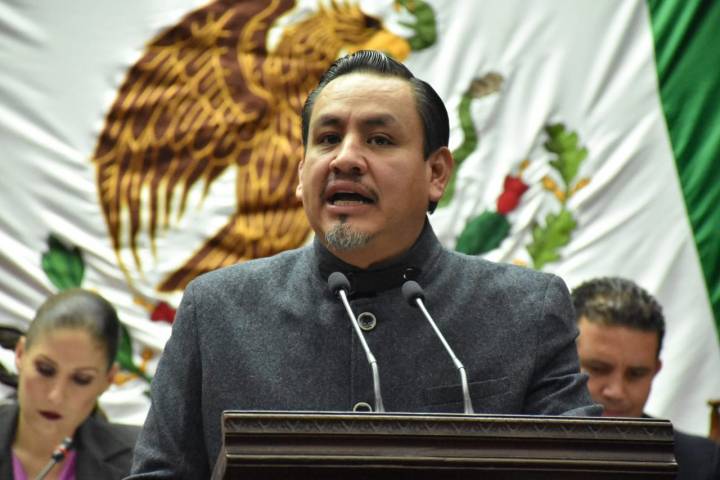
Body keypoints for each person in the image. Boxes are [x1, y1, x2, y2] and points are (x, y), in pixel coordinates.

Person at [129, 50, 599, 478]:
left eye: (379, 139)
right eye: (328, 138)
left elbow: (585, 471)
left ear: (436, 173)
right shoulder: (217, 311)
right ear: (302, 174)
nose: (346, 159)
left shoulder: (526, 310)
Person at [572, 276, 720, 480]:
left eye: (636, 374)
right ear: (562, 360)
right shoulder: (523, 448)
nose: (616, 391)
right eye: (598, 369)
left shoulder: (700, 466)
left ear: (655, 371)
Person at [0, 289, 139, 479]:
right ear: (20, 354)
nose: (56, 396)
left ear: (108, 379)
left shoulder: (140, 463)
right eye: (45, 370)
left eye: (81, 379)